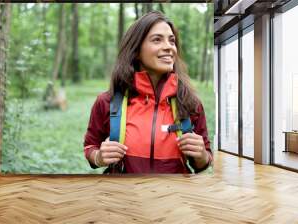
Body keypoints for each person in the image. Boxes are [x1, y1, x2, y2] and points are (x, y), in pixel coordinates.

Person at [83, 11, 213, 174]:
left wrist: (201, 156)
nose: (169, 47)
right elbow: (90, 146)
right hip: (124, 197)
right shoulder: (106, 102)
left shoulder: (191, 103)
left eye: (171, 41)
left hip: (175, 197)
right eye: (157, 40)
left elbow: (204, 161)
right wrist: (98, 157)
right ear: (136, 51)